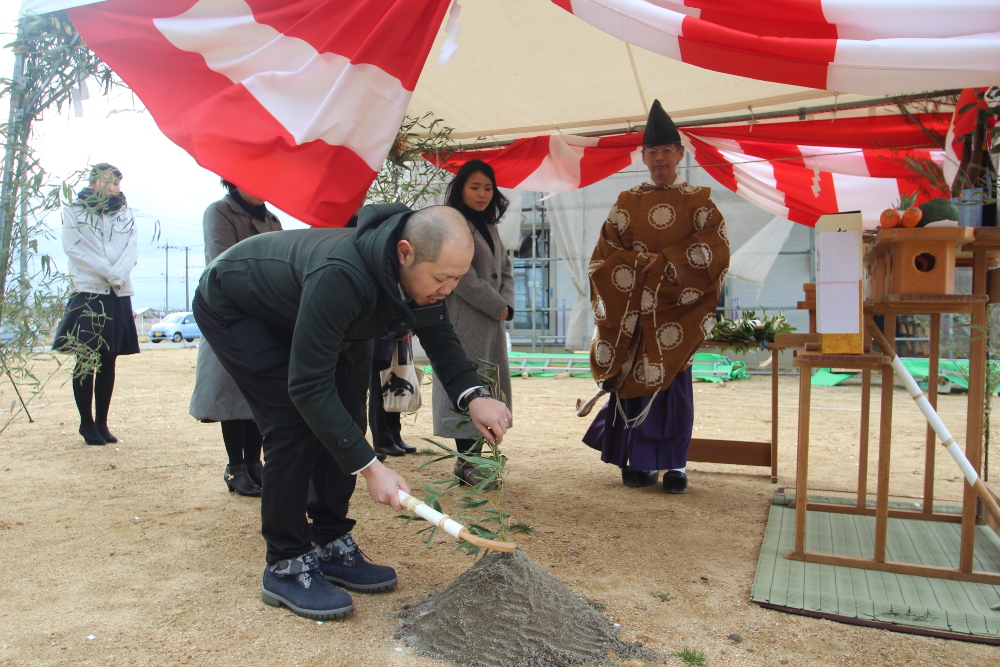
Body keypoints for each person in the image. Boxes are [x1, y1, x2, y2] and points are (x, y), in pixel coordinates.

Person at [192, 203, 512, 622]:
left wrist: (474, 396)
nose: (448, 290)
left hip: (307, 306)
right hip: (238, 306)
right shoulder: (341, 274)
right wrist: (370, 465)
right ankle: (286, 562)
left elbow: (438, 333)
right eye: (441, 278)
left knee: (346, 411)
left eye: (457, 278)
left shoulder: (422, 276)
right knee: (292, 421)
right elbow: (307, 385)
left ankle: (328, 538)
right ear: (404, 253)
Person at [581, 100, 730, 494]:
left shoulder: (700, 201)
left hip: (677, 314)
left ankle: (675, 465)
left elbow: (715, 251)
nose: (660, 158)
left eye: (667, 150)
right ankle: (636, 460)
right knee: (633, 383)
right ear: (643, 157)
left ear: (680, 154)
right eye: (652, 152)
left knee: (674, 391)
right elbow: (602, 258)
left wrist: (667, 261)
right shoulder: (626, 204)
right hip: (634, 315)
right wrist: (633, 263)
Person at [189, 180, 282, 497]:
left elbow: (279, 265)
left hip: (264, 315)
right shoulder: (219, 212)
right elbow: (221, 262)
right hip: (228, 313)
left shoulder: (272, 220)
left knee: (257, 395)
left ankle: (255, 465)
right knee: (231, 394)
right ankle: (235, 467)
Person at [432, 159, 515, 486]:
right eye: (474, 187)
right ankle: (466, 461)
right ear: (461, 188)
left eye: (488, 187)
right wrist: (496, 304)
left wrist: (505, 304)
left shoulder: (489, 226)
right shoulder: (453, 224)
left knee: (488, 383)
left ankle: (474, 460)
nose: (482, 194)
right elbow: (461, 274)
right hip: (465, 318)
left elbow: (505, 268)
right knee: (468, 381)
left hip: (491, 321)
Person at [53, 163, 139, 447]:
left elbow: (131, 249)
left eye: (117, 183)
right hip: (89, 290)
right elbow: (75, 248)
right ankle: (86, 422)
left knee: (108, 358)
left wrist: (118, 274)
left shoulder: (125, 214)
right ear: (93, 183)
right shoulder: (73, 211)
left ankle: (102, 421)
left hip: (117, 292)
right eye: (109, 182)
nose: (114, 188)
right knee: (86, 358)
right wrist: (109, 272)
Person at [368, 332, 417, 457]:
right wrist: (402, 329)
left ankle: (395, 436)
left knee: (395, 393)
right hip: (380, 340)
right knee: (379, 394)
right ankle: (382, 440)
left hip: (397, 341)